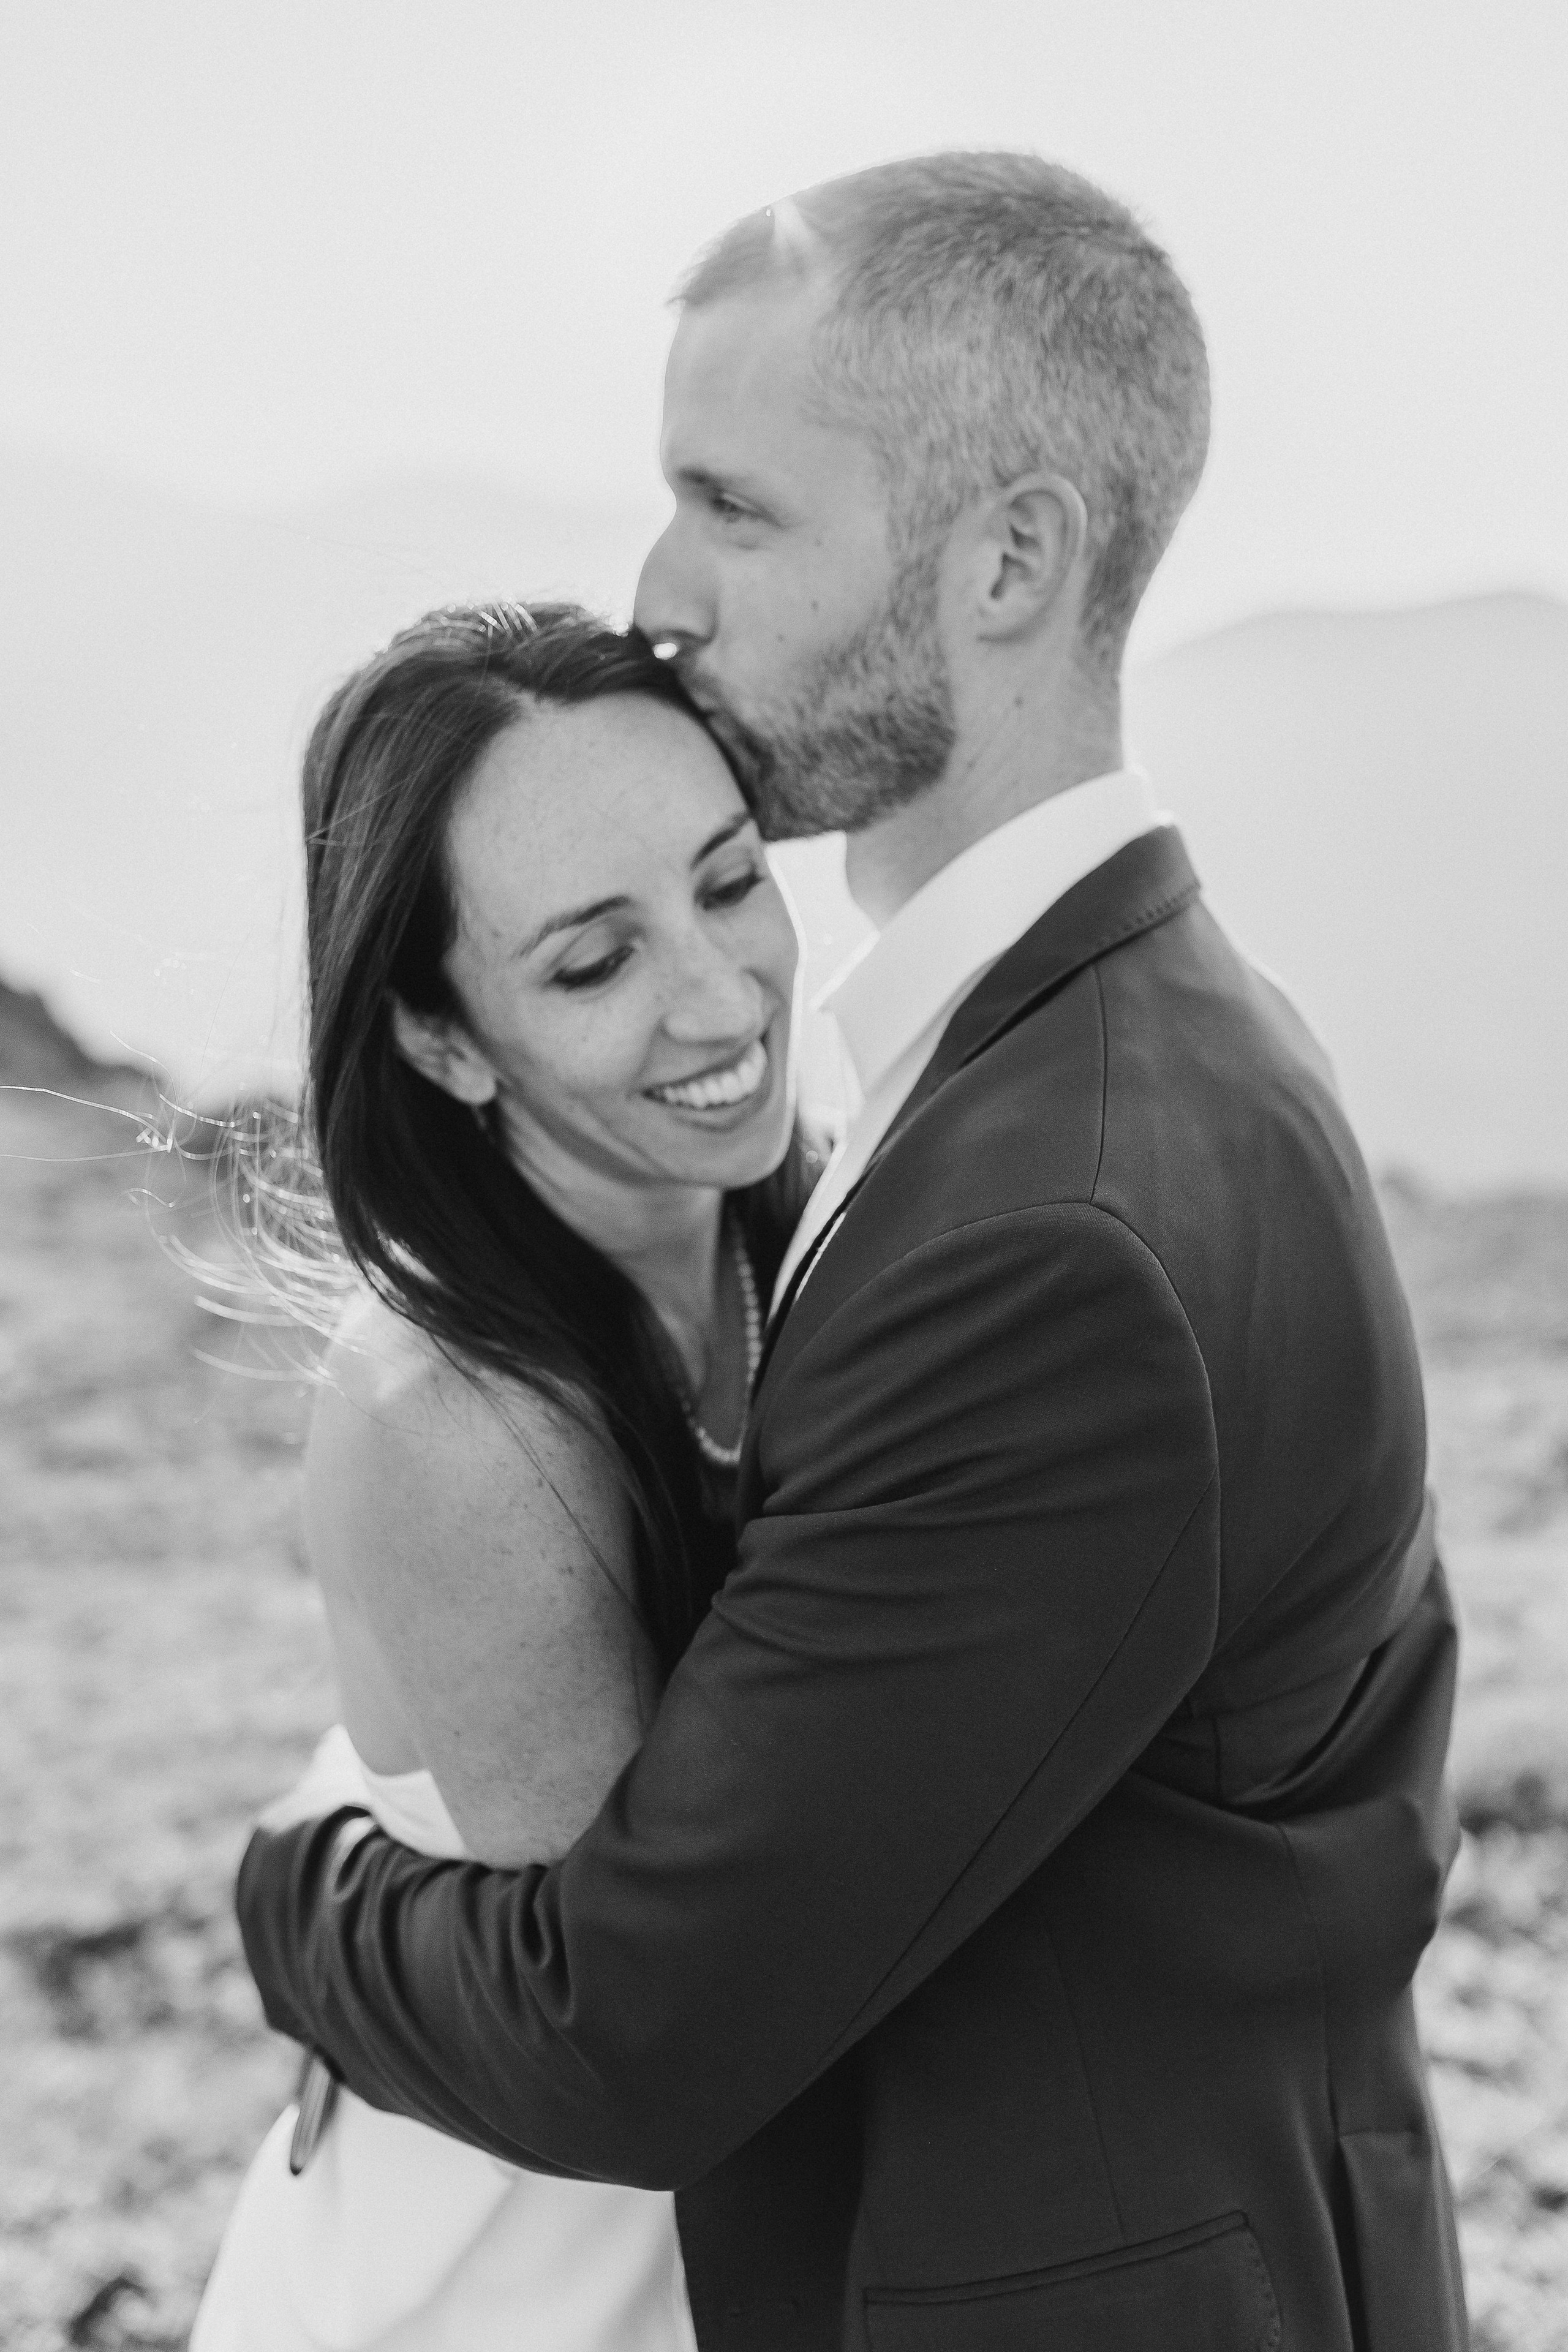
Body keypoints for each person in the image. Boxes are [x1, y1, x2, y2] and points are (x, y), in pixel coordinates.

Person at [238, 154, 1469, 2351]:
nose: (659, 589)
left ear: (1010, 561)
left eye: (734, 506)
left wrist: (293, 1887)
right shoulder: (1102, 1041)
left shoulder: (1055, 1219)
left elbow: (643, 2026)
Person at [192, 603, 814, 2349]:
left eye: (730, 882)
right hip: (513, 2273)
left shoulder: (809, 1226)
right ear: (443, 1040)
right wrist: (295, 1899)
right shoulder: (460, 1417)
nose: (722, 996)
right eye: (594, 964)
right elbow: (639, 2034)